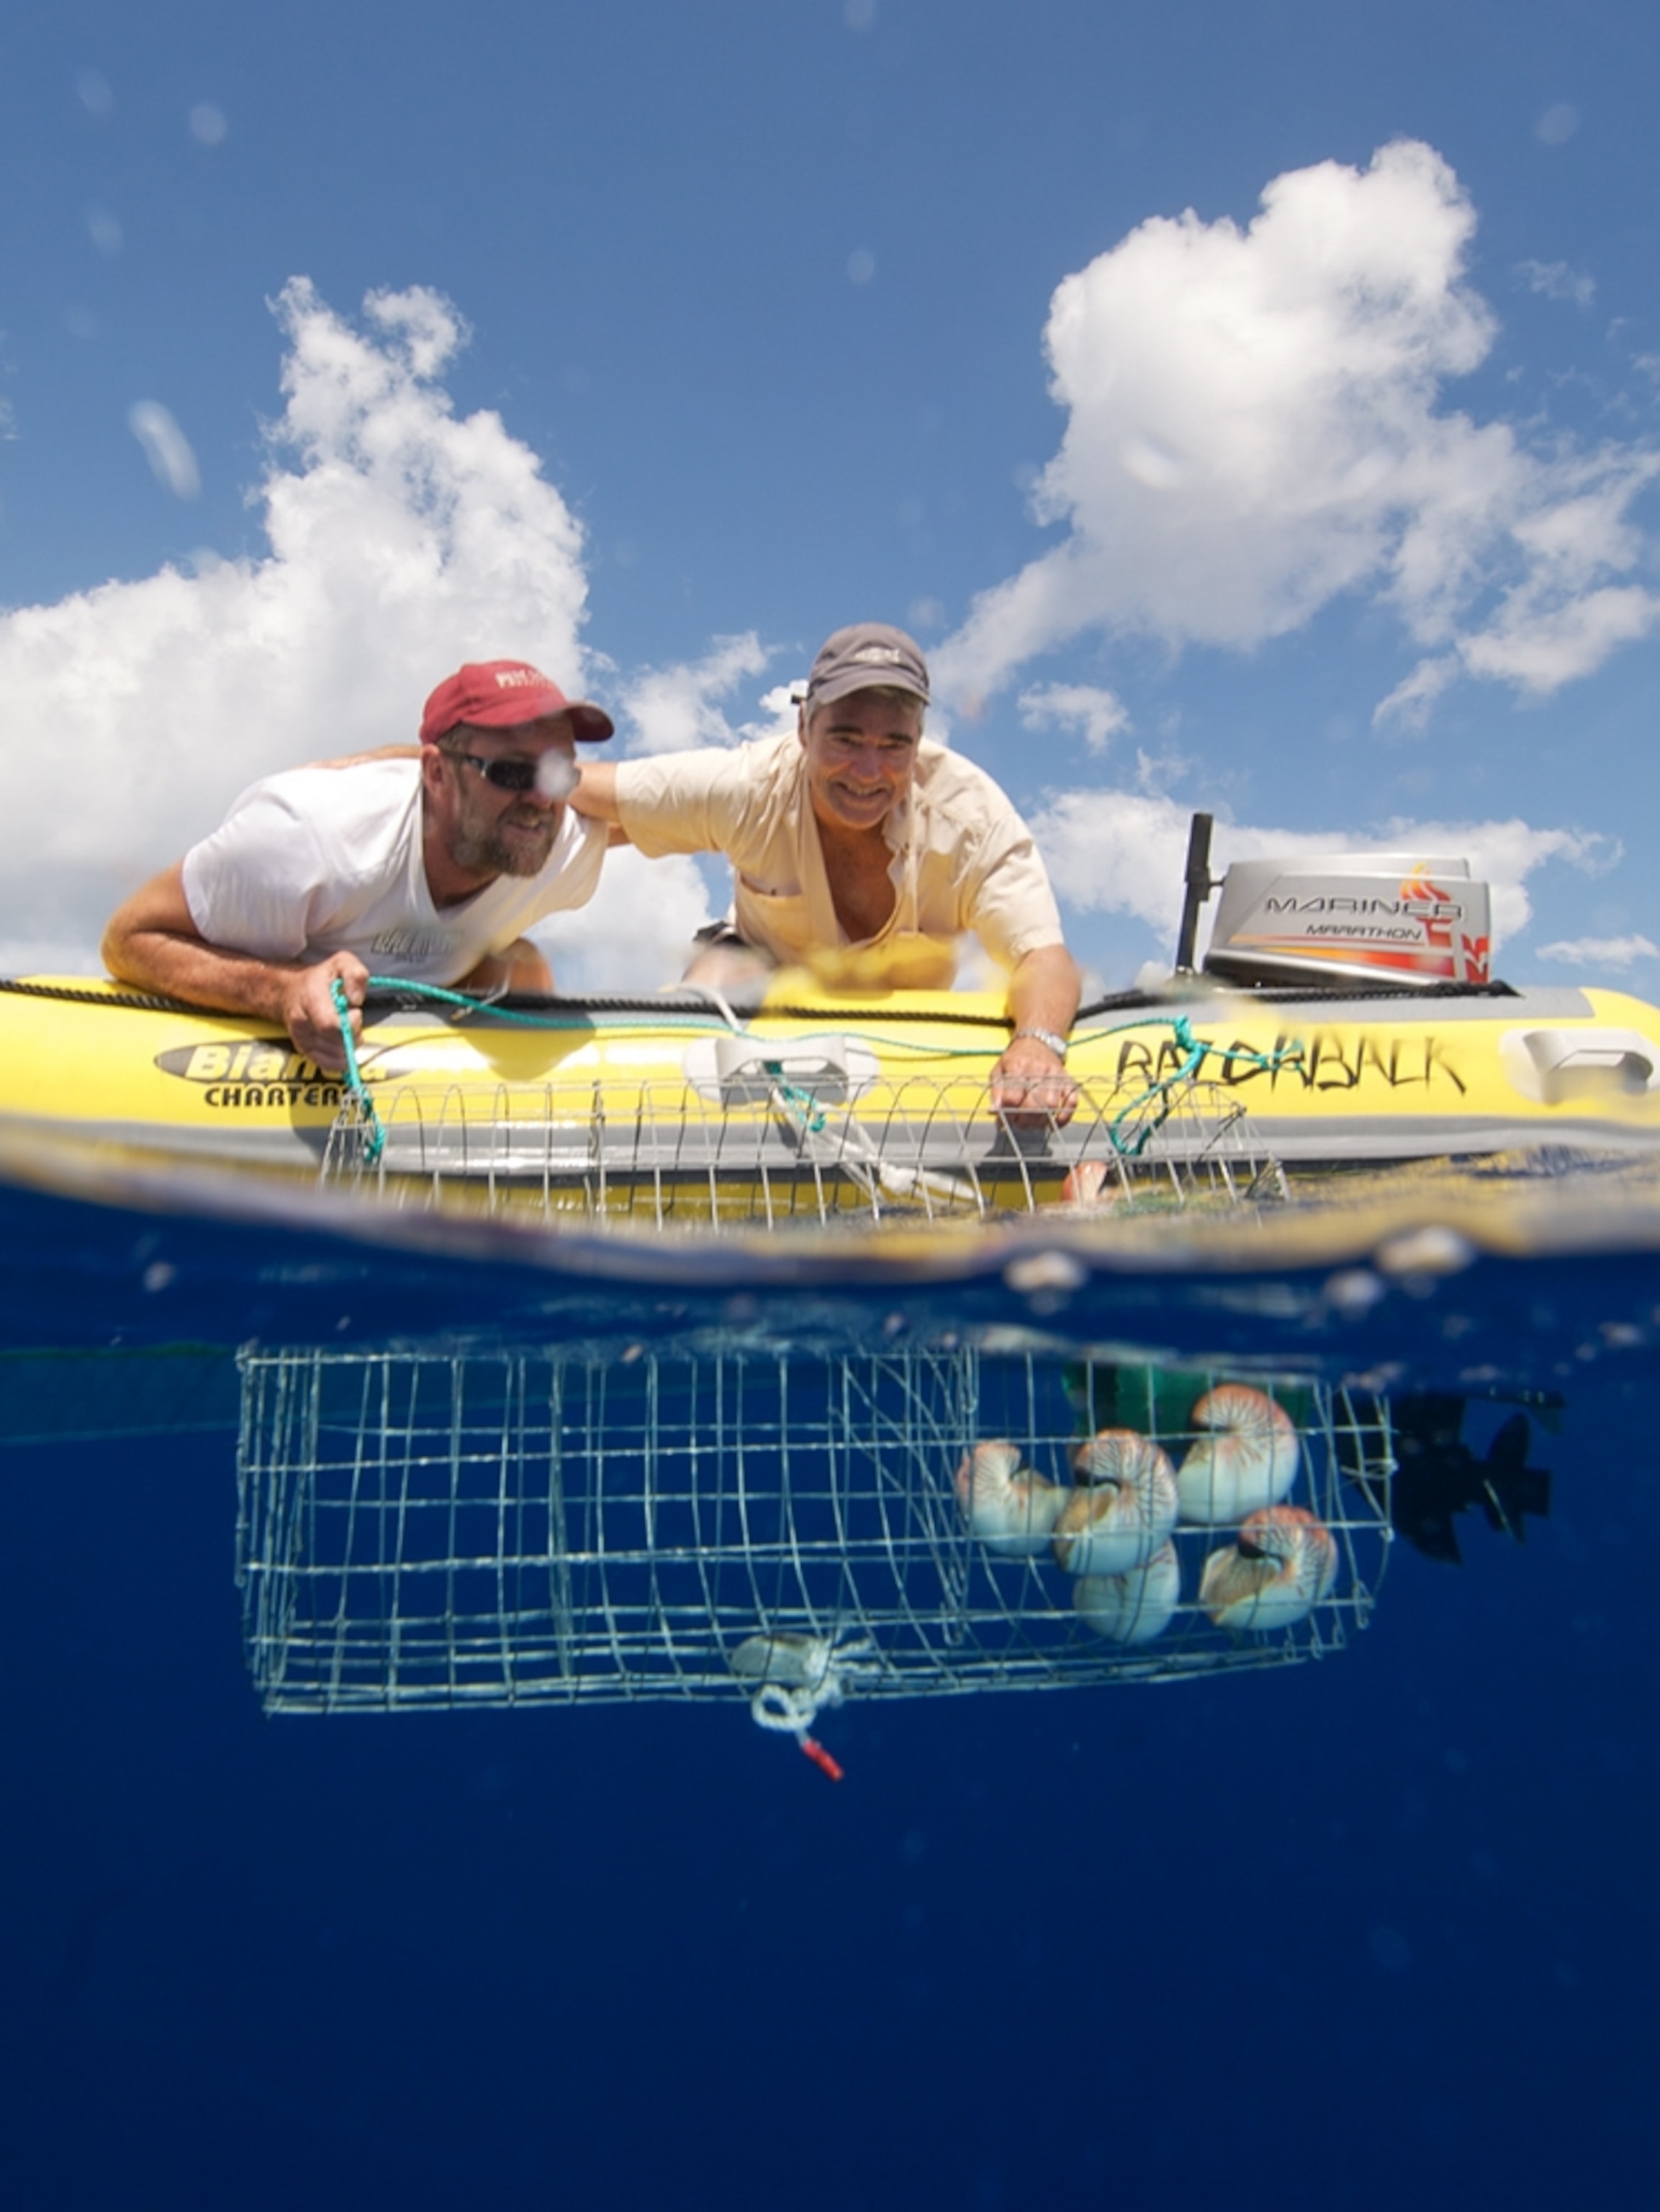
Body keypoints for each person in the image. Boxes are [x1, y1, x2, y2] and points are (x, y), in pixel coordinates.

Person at [569, 622, 1081, 1115]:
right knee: (714, 979)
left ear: (918, 740)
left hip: (906, 1020)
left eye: (893, 747)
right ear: (804, 729)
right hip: (759, 974)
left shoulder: (974, 820)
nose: (867, 771)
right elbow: (571, 787)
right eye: (846, 740)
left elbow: (1043, 957)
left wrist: (1037, 1043)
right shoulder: (747, 786)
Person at [102, 659, 615, 1072]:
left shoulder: (558, 835)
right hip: (252, 1019)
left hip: (435, 993)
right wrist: (281, 991)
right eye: (510, 771)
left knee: (518, 964)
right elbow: (127, 938)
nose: (540, 800)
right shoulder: (306, 835)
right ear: (436, 773)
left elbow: (676, 803)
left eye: (558, 775)